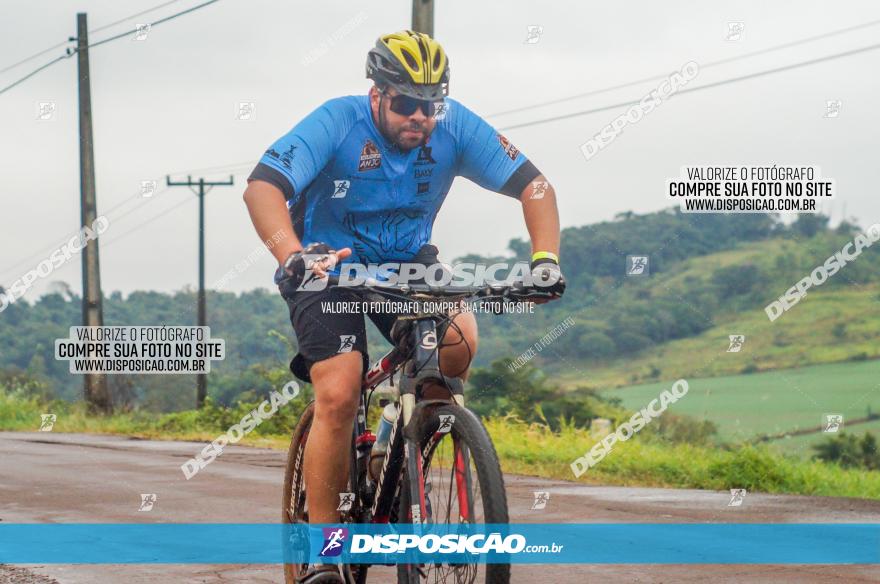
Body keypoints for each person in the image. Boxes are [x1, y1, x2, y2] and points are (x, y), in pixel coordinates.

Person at [243, 30, 565, 583]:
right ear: (377, 94)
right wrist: (292, 255)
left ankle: (399, 434)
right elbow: (262, 187)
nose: (420, 117)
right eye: (406, 104)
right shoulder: (337, 121)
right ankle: (326, 553)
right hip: (327, 265)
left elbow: (535, 186)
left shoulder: (455, 126)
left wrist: (545, 260)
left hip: (406, 264)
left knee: (458, 345)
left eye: (431, 105)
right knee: (340, 391)